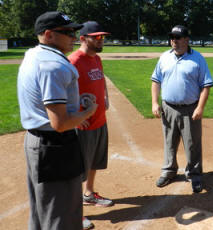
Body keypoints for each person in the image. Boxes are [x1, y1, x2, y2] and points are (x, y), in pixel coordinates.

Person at [17, 11, 97, 230]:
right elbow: (60, 123)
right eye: (68, 32)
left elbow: (45, 100)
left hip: (38, 142)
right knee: (61, 214)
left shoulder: (33, 54)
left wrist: (75, 101)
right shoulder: (54, 66)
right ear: (49, 34)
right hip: (55, 146)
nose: (74, 36)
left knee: (41, 209)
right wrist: (88, 112)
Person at [151, 25, 213, 193]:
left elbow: (206, 86)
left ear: (187, 40)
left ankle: (194, 174)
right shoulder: (164, 57)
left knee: (192, 143)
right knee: (169, 142)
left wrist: (200, 107)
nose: (174, 41)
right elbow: (156, 80)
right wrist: (154, 103)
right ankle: (168, 171)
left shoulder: (198, 59)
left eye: (178, 38)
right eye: (172, 37)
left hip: (190, 108)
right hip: (168, 107)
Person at [68, 21, 113, 229]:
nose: (100, 40)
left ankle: (89, 194)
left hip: (99, 121)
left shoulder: (97, 59)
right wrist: (76, 115)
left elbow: (101, 79)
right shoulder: (74, 61)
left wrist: (105, 96)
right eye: (97, 37)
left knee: (95, 161)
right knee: (78, 170)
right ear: (83, 38)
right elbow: (65, 92)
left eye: (102, 37)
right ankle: (73, 213)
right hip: (83, 126)